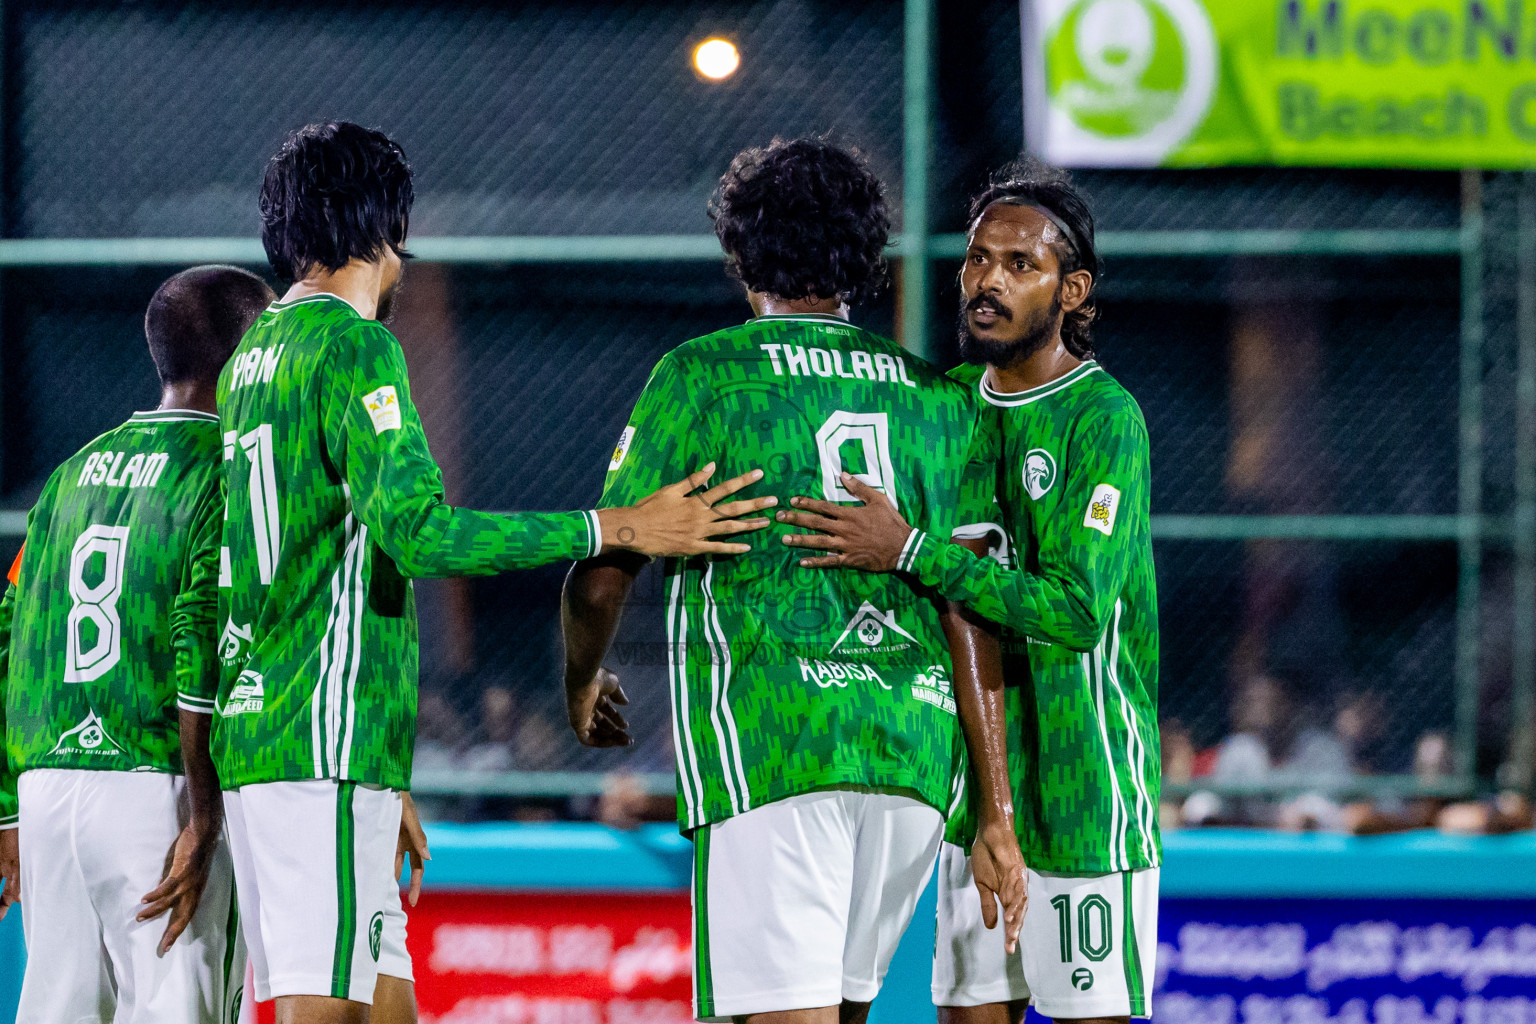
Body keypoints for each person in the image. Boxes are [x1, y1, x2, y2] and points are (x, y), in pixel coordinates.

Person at [217, 122, 772, 1024]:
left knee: (389, 1006)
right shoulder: (353, 346)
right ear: (384, 228)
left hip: (279, 737)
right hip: (317, 743)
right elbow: (423, 537)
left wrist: (386, 776)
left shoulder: (254, 356)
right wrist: (615, 524)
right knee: (332, 1013)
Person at [560, 136, 1024, 1024]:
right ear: (867, 253)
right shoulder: (941, 399)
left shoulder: (702, 378)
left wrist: (582, 677)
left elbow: (604, 572)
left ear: (739, 248)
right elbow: (974, 602)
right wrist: (990, 800)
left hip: (776, 744)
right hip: (912, 759)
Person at [779, 159, 1160, 1023]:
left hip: (1083, 788)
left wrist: (912, 549)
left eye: (1020, 265)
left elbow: (1072, 612)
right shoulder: (943, 403)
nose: (988, 280)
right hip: (967, 792)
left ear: (1074, 289)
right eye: (977, 259)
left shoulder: (1105, 420)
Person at [0, 265, 273, 1023]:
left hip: (50, 787)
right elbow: (197, 632)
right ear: (246, 356)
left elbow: (6, 633)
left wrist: (5, 810)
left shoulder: (68, 475)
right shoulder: (228, 468)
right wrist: (205, 816)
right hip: (161, 783)